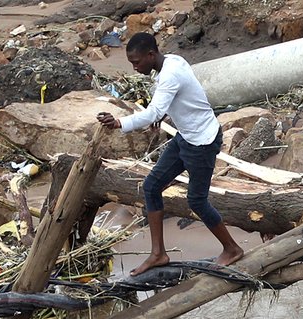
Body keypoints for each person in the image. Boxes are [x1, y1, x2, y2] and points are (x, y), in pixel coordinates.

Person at [97, 32, 244, 276]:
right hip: (186, 137)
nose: (135, 68)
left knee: (197, 201)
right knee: (151, 186)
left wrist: (119, 122)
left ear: (151, 55)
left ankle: (232, 248)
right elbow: (185, 95)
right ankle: (158, 254)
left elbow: (153, 111)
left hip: (202, 143)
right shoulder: (173, 61)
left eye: (136, 62)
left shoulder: (169, 74)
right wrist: (168, 113)